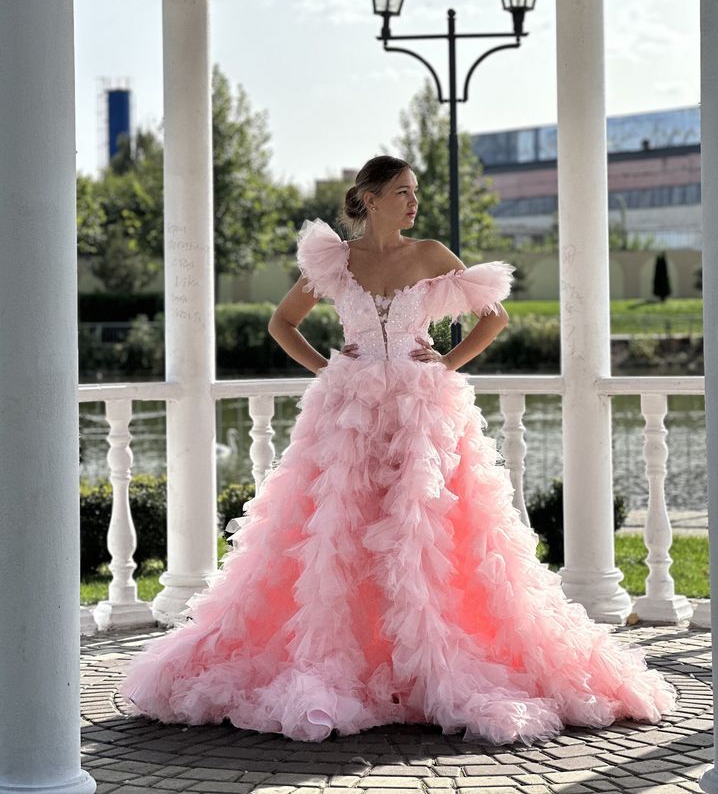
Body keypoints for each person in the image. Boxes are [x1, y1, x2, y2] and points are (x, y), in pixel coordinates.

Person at [119, 154, 677, 745]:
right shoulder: (337, 259)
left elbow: (495, 317)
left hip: (422, 411)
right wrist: (328, 368)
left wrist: (446, 362)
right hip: (349, 414)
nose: (413, 202)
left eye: (416, 192)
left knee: (427, 533)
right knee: (343, 531)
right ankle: (355, 661)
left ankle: (431, 662)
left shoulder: (432, 253)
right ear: (370, 197)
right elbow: (283, 324)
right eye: (403, 192)